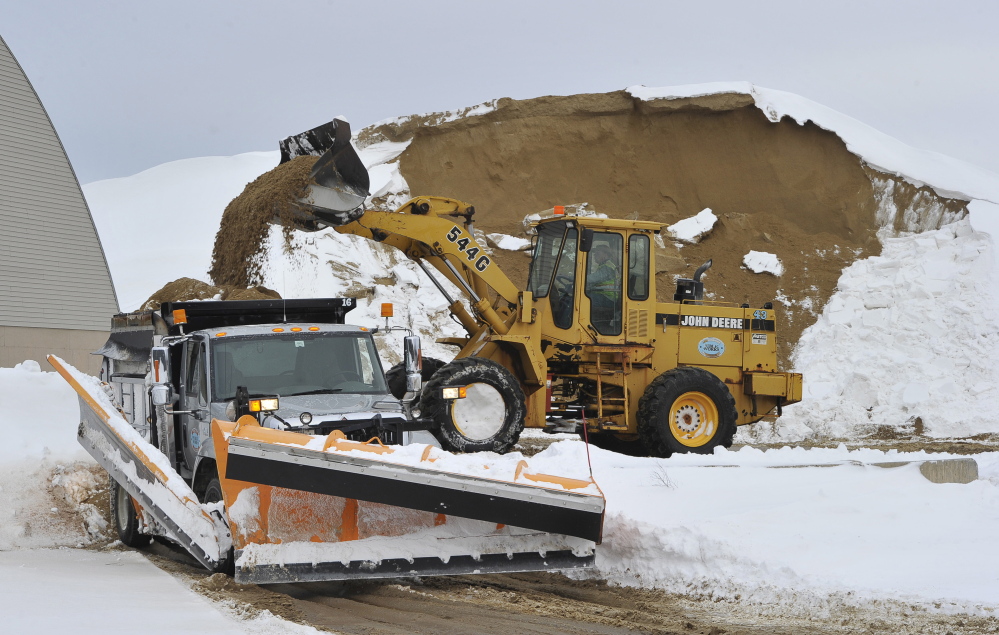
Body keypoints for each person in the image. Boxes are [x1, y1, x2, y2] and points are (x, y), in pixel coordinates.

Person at [588, 244, 621, 333]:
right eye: (594, 254)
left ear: (605, 254)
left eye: (597, 253)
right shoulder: (604, 266)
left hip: (608, 298)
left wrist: (576, 277)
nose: (595, 255)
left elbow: (594, 278)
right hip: (604, 296)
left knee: (581, 299)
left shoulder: (607, 267)